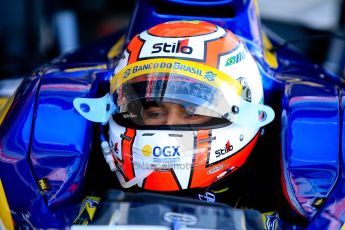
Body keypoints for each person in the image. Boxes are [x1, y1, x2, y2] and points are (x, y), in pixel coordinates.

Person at [73, 20, 280, 225]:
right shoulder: (89, 186)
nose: (169, 124)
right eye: (154, 113)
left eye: (192, 112)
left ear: (245, 113)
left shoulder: (270, 191)